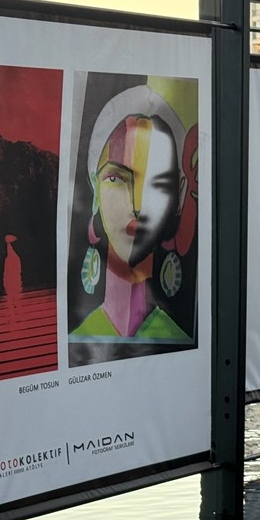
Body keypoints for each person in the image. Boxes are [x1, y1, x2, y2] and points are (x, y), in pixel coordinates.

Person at [72, 85, 193, 342]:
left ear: (178, 196)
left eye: (158, 184)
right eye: (116, 178)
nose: (137, 205)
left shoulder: (180, 340)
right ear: (95, 189)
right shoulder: (78, 339)